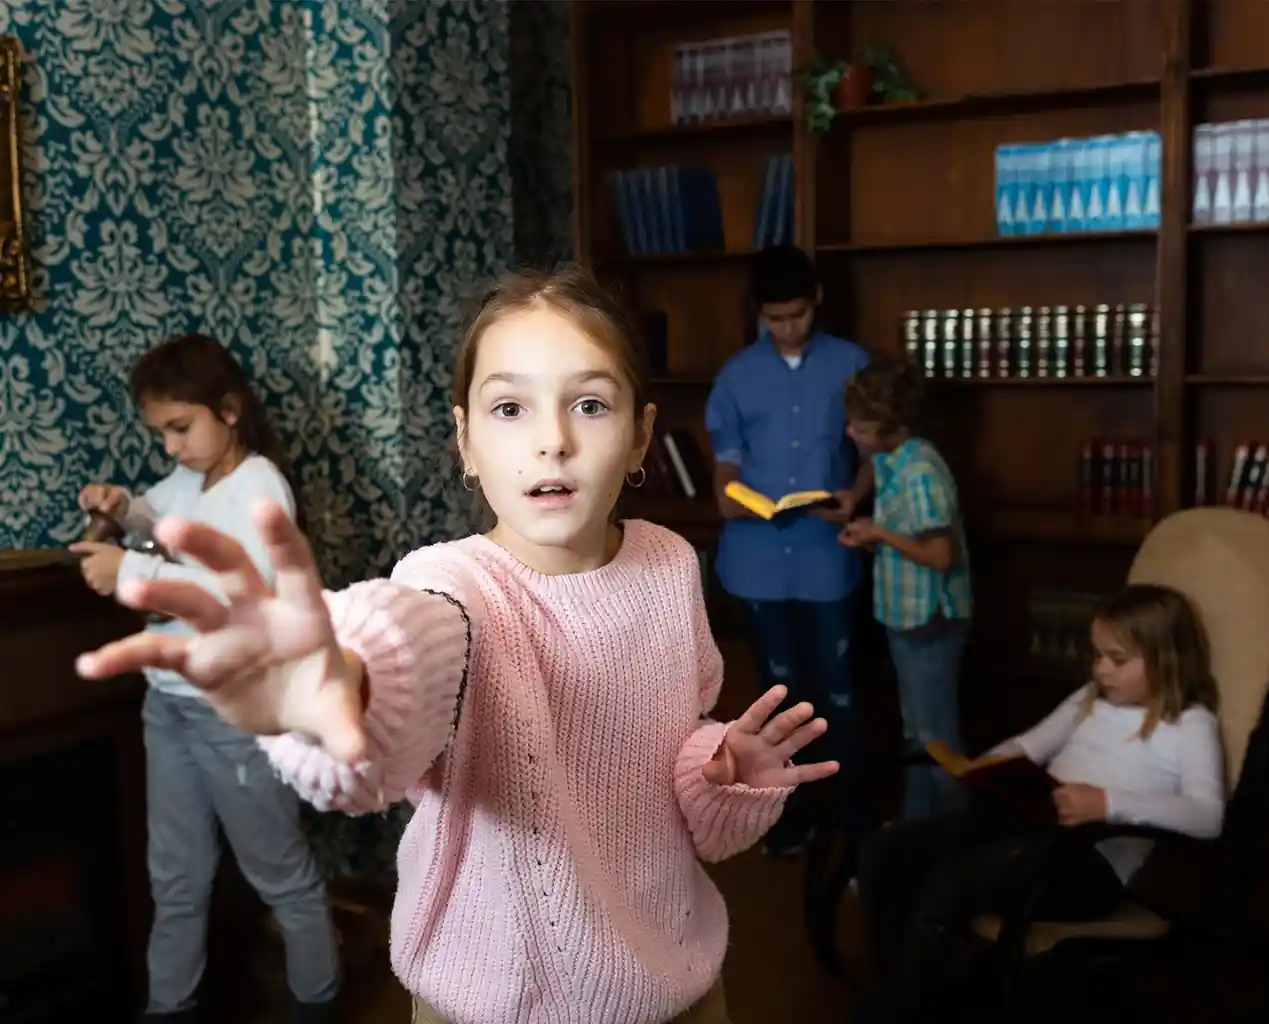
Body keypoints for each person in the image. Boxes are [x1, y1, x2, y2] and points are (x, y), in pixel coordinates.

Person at [74, 267, 841, 1024]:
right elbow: (399, 665)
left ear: (641, 436)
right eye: (510, 407)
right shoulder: (452, 584)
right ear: (466, 440)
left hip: (677, 986)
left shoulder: (669, 564)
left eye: (589, 403)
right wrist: (338, 686)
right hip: (496, 1005)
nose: (553, 441)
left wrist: (720, 770)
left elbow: (672, 757)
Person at [71, 334, 339, 1024]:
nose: (171, 446)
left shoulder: (260, 489)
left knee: (278, 873)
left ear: (229, 409)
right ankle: (171, 1007)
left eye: (180, 428)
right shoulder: (192, 481)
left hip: (234, 711)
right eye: (160, 432)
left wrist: (126, 573)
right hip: (170, 706)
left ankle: (318, 1005)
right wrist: (123, 507)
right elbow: (161, 520)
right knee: (176, 875)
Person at [854, 583, 1226, 1022]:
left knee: (951, 882)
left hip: (1090, 864)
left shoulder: (1190, 723)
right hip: (1028, 826)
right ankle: (898, 984)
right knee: (888, 849)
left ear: (1167, 658)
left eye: (1117, 659)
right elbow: (1029, 745)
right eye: (1097, 654)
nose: (1101, 669)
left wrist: (1107, 803)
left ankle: (903, 1007)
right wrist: (986, 766)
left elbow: (1208, 815)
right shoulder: (1090, 698)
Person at [705, 243, 871, 856]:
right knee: (777, 695)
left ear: (817, 302)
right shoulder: (736, 377)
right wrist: (740, 499)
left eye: (797, 315)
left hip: (829, 555)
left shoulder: (853, 365)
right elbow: (725, 477)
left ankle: (853, 821)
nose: (787, 328)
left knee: (840, 687)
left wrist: (855, 495)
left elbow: (878, 454)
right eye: (775, 318)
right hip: (757, 561)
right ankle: (788, 816)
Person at [839, 353, 973, 821]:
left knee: (937, 742)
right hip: (906, 614)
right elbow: (910, 546)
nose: (850, 433)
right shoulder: (891, 461)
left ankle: (956, 839)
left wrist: (879, 533)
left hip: (928, 620)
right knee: (918, 737)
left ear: (890, 426)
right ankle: (917, 836)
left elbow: (939, 556)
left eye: (860, 426)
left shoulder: (920, 474)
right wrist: (871, 537)